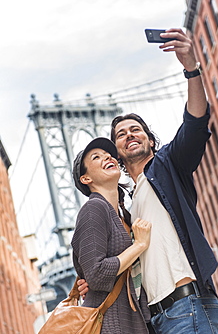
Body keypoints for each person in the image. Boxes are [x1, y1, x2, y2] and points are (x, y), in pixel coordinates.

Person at [78, 28, 218, 333]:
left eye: (136, 129)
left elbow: (196, 123)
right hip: (154, 320)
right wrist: (88, 280)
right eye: (121, 134)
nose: (129, 134)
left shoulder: (169, 165)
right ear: (116, 154)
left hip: (188, 307)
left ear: (151, 141)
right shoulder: (127, 209)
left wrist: (191, 69)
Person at [71, 137, 152, 333]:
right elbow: (96, 274)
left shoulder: (124, 216)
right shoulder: (93, 209)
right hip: (111, 324)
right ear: (86, 179)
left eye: (108, 154)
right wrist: (139, 245)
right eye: (96, 157)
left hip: (133, 323)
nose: (107, 156)